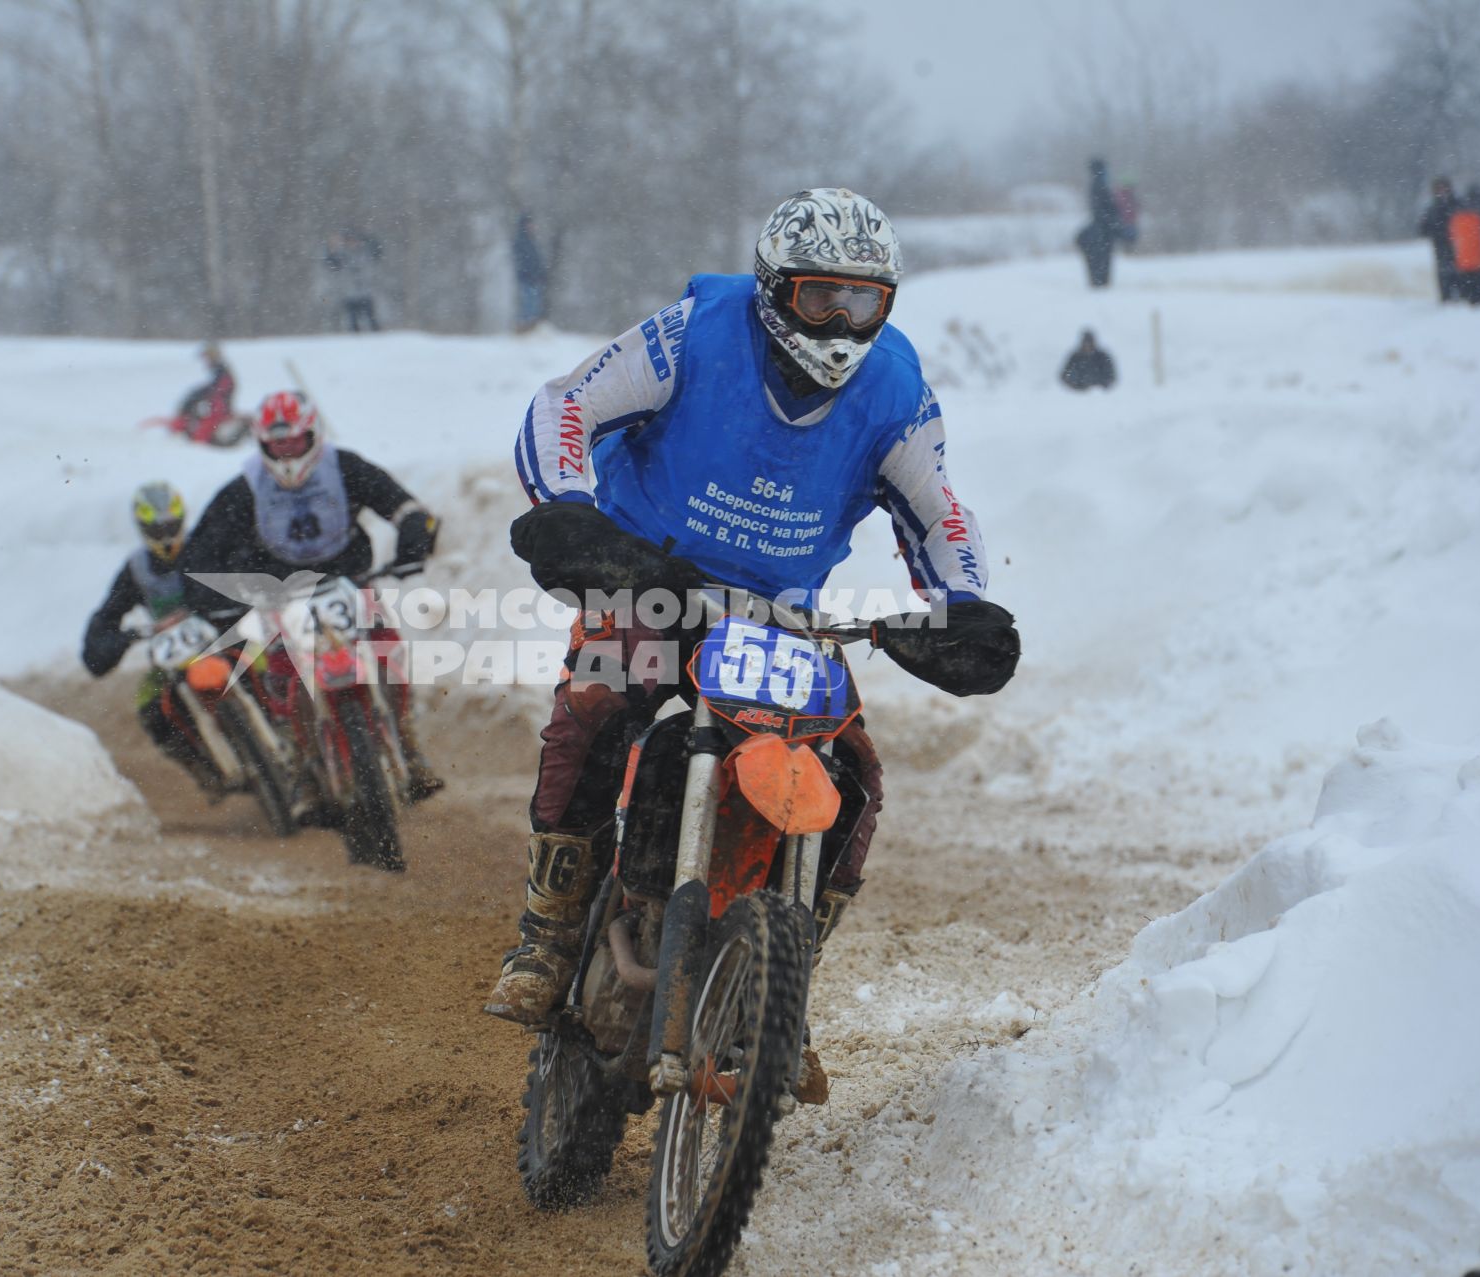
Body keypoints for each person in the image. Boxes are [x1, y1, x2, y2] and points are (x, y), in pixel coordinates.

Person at [487, 187, 1021, 1024]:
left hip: (780, 616)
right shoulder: (698, 331)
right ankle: (547, 930)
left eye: (863, 303)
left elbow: (939, 509)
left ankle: (780, 982)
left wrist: (964, 604)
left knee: (855, 776)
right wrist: (566, 507)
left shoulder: (894, 392)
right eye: (821, 299)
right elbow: (567, 404)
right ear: (775, 289)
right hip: (647, 580)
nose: (841, 326)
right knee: (595, 703)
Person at [178, 389, 443, 798]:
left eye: (292, 442)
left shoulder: (344, 468)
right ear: (263, 443)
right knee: (285, 681)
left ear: (312, 435)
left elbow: (402, 505)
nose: (285, 453)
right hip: (281, 595)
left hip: (350, 580)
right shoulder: (246, 489)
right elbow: (201, 550)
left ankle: (406, 743)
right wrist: (214, 598)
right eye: (276, 444)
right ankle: (302, 761)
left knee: (389, 654)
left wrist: (412, 540)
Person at [82, 481, 233, 798]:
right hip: (175, 655)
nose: (165, 535)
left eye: (170, 526)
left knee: (274, 669)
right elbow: (107, 614)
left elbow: (246, 567)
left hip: (226, 635)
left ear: (182, 519)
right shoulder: (137, 570)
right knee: (151, 708)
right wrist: (111, 641)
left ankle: (297, 737)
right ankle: (205, 770)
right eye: (156, 528)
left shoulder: (206, 545)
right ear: (142, 528)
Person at [174, 342, 238, 444]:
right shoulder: (218, 370)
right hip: (216, 408)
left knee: (200, 438)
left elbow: (218, 390)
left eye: (207, 357)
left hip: (219, 411)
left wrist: (201, 395)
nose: (205, 361)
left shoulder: (221, 371)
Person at [1075, 158, 1125, 288]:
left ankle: (1099, 282)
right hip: (1103, 230)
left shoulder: (1096, 184)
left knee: (1099, 258)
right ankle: (1101, 283)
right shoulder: (1100, 185)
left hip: (1102, 229)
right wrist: (1113, 222)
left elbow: (1101, 208)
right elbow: (1103, 209)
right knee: (1102, 258)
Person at [323, 231, 382, 332]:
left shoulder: (365, 253)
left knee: (372, 322)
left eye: (355, 241)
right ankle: (355, 344)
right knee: (353, 323)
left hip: (366, 292)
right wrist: (331, 248)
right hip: (349, 294)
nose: (353, 243)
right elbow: (330, 263)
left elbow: (378, 251)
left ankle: (378, 342)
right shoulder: (341, 255)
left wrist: (369, 235)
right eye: (350, 241)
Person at [1420, 178, 1461, 302]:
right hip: (1441, 245)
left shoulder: (1456, 204)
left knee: (1458, 271)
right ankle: (1446, 297)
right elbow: (1423, 229)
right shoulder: (1432, 208)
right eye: (1439, 189)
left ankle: (1461, 294)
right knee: (1444, 272)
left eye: (1444, 188)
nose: (1442, 191)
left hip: (1458, 244)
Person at [512, 212, 550, 332]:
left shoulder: (530, 241)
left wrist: (541, 273)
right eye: (530, 224)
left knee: (533, 302)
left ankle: (530, 325)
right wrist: (530, 273)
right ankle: (525, 325)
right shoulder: (521, 241)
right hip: (527, 277)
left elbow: (536, 260)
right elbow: (524, 261)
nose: (532, 226)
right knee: (529, 302)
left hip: (533, 278)